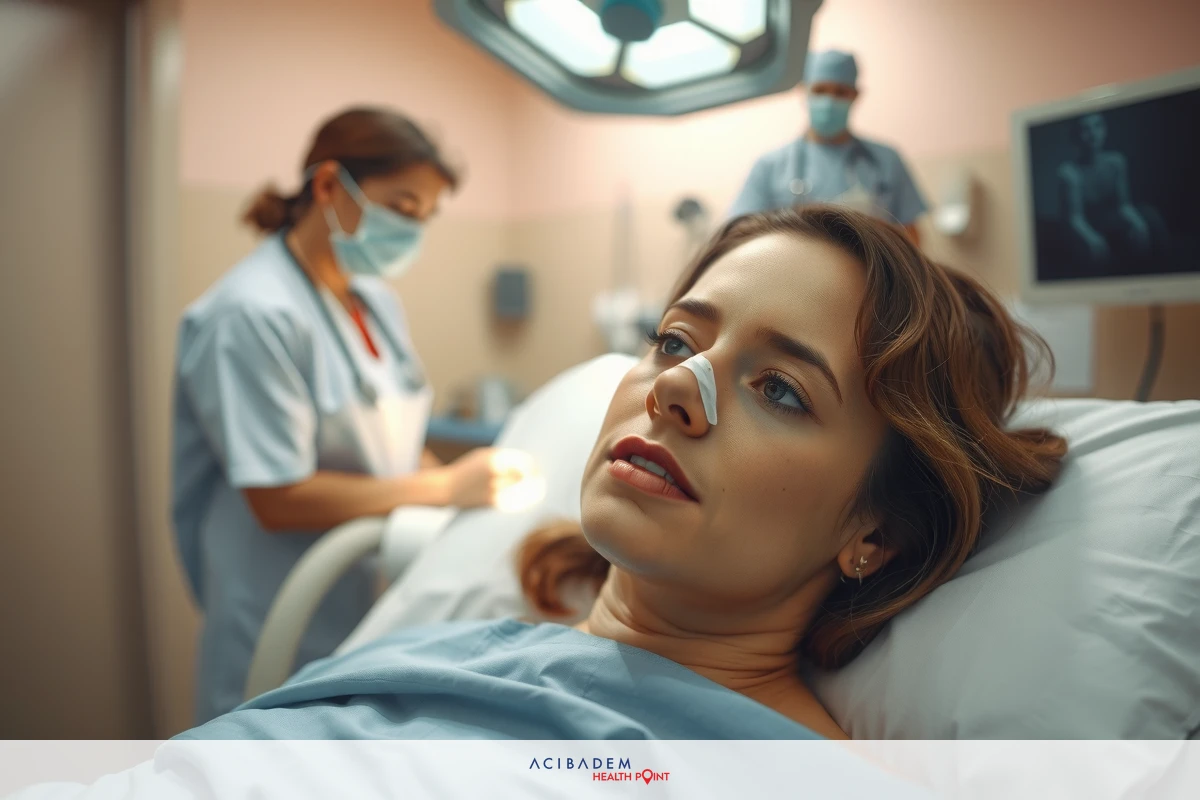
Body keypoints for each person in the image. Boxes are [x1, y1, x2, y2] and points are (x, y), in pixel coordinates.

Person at [168, 205, 1064, 741]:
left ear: (875, 531)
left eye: (781, 390)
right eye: (676, 339)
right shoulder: (435, 663)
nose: (676, 385)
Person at [172, 107, 534, 723]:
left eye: (425, 216)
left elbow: (395, 441)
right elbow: (276, 496)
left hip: (362, 601)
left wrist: (459, 500)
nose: (412, 228)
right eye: (401, 206)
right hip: (275, 610)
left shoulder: (375, 302)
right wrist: (446, 486)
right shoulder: (250, 314)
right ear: (329, 186)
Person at [728, 50, 929, 244]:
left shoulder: (886, 160)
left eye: (840, 92)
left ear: (855, 96)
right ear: (803, 92)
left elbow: (913, 238)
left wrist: (877, 233)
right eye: (820, 90)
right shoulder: (769, 166)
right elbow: (739, 234)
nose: (829, 102)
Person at [1054, 111, 1164, 272]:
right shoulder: (1069, 173)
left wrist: (1138, 224)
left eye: (1097, 126)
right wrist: (1093, 240)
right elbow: (1075, 219)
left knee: (1148, 219)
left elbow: (1124, 205)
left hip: (1109, 223)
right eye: (1085, 129)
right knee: (1093, 252)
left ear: (1105, 130)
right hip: (1082, 228)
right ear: (1075, 136)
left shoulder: (1116, 162)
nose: (1093, 134)